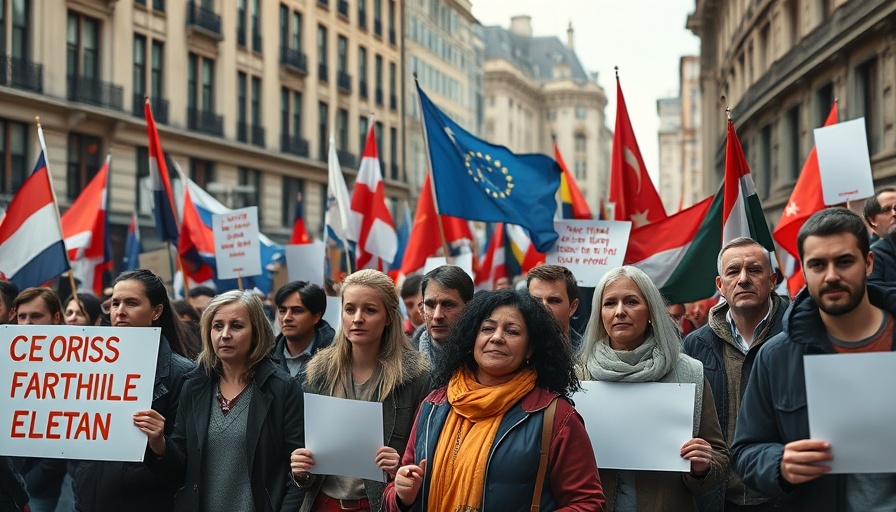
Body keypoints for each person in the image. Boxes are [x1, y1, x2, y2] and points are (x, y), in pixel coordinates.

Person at [732, 208, 896, 510]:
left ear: (868, 263)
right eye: (818, 265)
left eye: (844, 262)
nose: (832, 275)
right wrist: (779, 464)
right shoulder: (776, 356)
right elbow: (745, 451)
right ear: (805, 273)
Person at [383, 289, 605, 511]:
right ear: (472, 340)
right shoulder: (433, 405)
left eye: (512, 332)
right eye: (487, 329)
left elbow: (587, 503)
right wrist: (402, 495)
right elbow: (397, 487)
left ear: (530, 349)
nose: (497, 337)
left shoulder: (555, 416)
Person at [140, 290, 305, 511]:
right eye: (217, 326)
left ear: (256, 332)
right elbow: (180, 466)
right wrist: (159, 443)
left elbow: (296, 469)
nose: (224, 334)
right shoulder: (195, 386)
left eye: (236, 326)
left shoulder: (282, 388)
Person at [580, 266, 728, 511]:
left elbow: (719, 456)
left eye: (631, 302)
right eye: (609, 303)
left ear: (650, 310)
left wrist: (703, 466)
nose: (619, 312)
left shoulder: (689, 373)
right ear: (599, 314)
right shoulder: (579, 376)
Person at [290, 269, 430, 511]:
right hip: (323, 504)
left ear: (388, 317)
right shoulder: (317, 374)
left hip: (378, 505)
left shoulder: (415, 378)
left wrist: (402, 468)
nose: (357, 319)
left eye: (370, 310)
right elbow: (308, 462)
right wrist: (301, 470)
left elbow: (425, 457)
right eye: (350, 309)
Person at [73, 269, 195, 512]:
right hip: (90, 500)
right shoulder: (88, 366)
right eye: (115, 303)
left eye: (131, 303)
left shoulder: (183, 375)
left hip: (147, 502)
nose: (120, 311)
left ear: (156, 311)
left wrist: (160, 443)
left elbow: (185, 463)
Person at [682, 238, 786, 511]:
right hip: (719, 496)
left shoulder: (796, 336)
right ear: (720, 285)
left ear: (772, 279)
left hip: (781, 492)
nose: (743, 279)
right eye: (733, 271)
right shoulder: (695, 345)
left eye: (754, 270)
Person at [13, 288, 65, 512]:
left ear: (55, 318)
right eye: (21, 317)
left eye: (35, 316)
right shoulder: (7, 359)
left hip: (39, 488)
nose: (26, 324)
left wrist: (27, 482)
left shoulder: (76, 367)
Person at [271, 280, 335, 386]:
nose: (286, 318)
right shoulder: (265, 356)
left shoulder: (336, 357)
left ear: (316, 317)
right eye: (282, 311)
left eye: (297, 311)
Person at [411, 265, 474, 361]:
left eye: (448, 304)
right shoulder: (401, 365)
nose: (437, 316)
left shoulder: (488, 359)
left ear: (469, 308)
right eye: (430, 305)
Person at [526, 264, 583, 353]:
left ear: (572, 307)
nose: (543, 307)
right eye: (535, 300)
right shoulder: (514, 351)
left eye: (554, 301)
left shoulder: (589, 355)